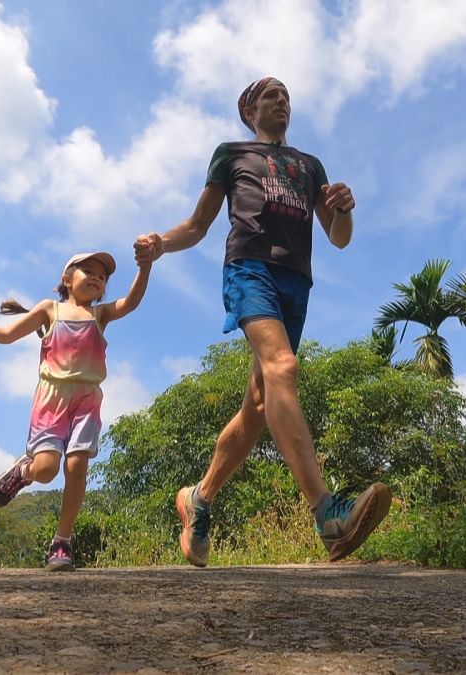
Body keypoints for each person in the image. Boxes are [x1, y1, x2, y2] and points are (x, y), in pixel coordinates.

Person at [134, 77, 391, 567]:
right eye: (271, 95)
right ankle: (327, 512)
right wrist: (161, 244)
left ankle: (199, 498)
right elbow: (198, 225)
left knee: (258, 404)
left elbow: (338, 238)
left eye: (287, 96)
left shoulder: (310, 166)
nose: (282, 101)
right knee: (283, 367)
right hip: (249, 268)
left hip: (297, 281)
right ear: (249, 109)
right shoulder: (231, 154)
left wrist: (345, 212)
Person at [0, 252, 151, 571]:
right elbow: (5, 335)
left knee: (77, 463)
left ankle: (62, 542)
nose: (97, 277)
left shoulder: (100, 316)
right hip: (52, 399)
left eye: (103, 276)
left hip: (87, 400)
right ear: (67, 279)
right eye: (88, 270)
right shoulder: (49, 309)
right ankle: (22, 472)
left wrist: (145, 266)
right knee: (46, 470)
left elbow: (132, 302)